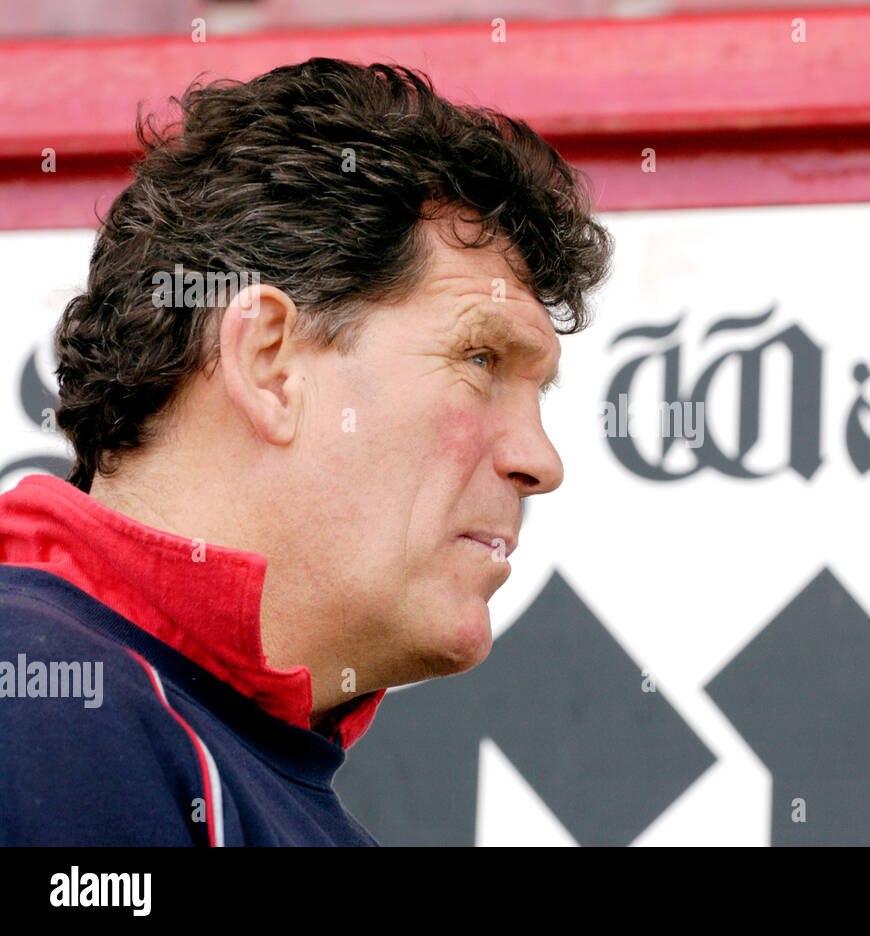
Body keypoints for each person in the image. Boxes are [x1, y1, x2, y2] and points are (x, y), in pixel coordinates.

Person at [0, 57, 613, 845]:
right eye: (480, 360)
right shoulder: (44, 705)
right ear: (269, 363)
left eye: (541, 394)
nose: (541, 460)